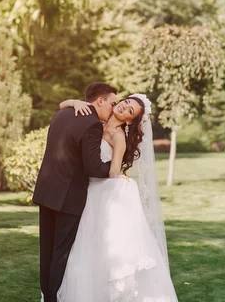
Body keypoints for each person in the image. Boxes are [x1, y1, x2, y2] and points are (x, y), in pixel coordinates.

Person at [57, 93, 178, 301]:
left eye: (130, 111)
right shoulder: (97, 119)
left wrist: (122, 179)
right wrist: (75, 102)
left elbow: (113, 171)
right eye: (125, 103)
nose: (124, 108)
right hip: (83, 190)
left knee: (97, 247)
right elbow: (62, 104)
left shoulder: (118, 137)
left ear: (130, 120)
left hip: (98, 195)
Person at [32, 82, 119, 302]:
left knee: (47, 253)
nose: (113, 108)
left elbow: (64, 107)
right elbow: (94, 168)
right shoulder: (92, 124)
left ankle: (46, 297)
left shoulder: (64, 113)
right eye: (112, 103)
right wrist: (116, 169)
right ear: (100, 100)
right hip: (67, 198)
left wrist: (71, 101)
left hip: (46, 191)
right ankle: (52, 299)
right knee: (60, 255)